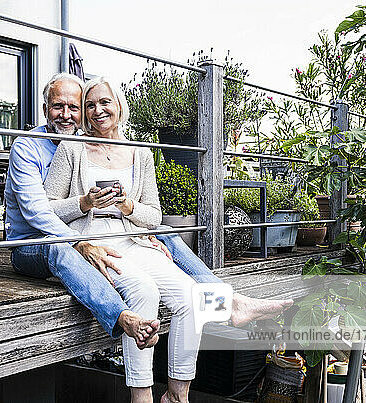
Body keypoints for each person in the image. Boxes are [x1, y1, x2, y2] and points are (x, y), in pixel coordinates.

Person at [44, 76, 293, 403]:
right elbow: (46, 209)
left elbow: (154, 216)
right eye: (90, 105)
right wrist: (85, 202)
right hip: (95, 243)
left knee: (192, 297)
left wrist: (127, 205)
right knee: (143, 291)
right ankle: (142, 394)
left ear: (119, 105)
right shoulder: (71, 149)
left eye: (104, 102)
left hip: (133, 239)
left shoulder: (140, 153)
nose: (96, 110)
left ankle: (177, 395)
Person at [5, 73, 159, 349]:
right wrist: (78, 241)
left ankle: (217, 292)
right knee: (59, 247)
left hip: (82, 234)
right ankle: (122, 317)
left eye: (74, 107)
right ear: (45, 110)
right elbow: (37, 213)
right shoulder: (26, 146)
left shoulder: (84, 146)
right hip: (30, 246)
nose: (66, 115)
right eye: (57, 106)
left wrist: (142, 231)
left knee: (166, 232)